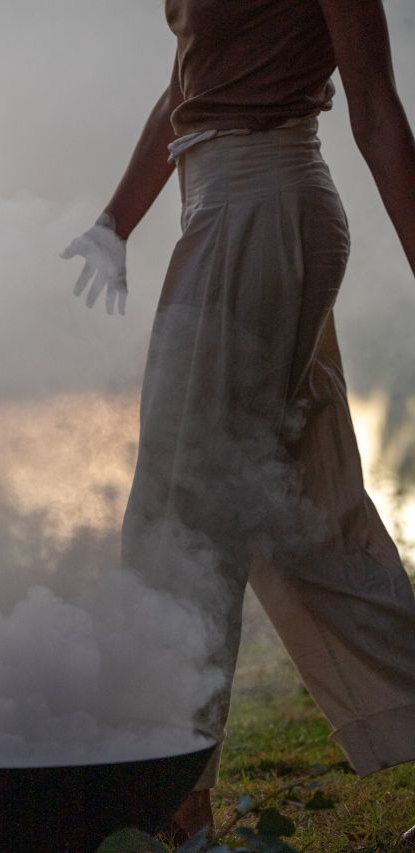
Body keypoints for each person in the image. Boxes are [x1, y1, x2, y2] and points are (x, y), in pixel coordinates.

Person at [60, 0, 415, 844]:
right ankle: (172, 797)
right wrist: (116, 220)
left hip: (265, 210)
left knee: (178, 518)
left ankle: (171, 804)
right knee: (305, 529)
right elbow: (186, 86)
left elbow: (373, 105)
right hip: (225, 210)